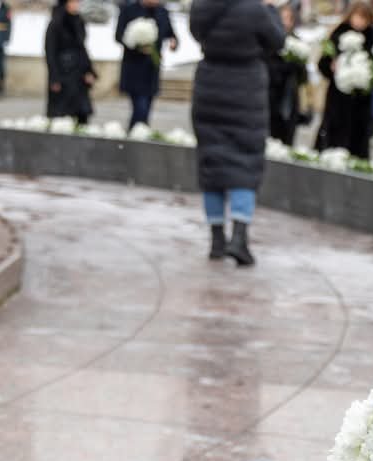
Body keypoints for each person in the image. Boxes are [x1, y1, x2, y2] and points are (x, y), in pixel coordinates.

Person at [190, 0, 282, 265]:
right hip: (246, 87)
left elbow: (197, 33)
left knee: (212, 162)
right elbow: (277, 41)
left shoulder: (202, 6)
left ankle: (216, 239)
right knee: (245, 161)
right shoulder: (255, 9)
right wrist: (271, 9)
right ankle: (239, 238)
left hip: (209, 84)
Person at [316, 1, 373, 157]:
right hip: (338, 95)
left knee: (357, 132)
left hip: (360, 97)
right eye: (358, 17)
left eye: (365, 19)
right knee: (336, 128)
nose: (360, 22)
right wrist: (331, 67)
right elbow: (323, 62)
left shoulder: (371, 36)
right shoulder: (338, 33)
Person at [116, 0, 177, 130]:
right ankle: (137, 132)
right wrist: (137, 45)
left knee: (147, 104)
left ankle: (138, 132)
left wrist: (174, 42)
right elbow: (118, 35)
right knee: (140, 105)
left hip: (152, 68)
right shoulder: (129, 10)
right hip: (134, 66)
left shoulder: (162, 11)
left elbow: (170, 33)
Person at [45, 0, 96, 125]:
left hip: (78, 72)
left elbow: (82, 48)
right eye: (73, 2)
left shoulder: (79, 21)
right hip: (62, 72)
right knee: (61, 115)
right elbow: (50, 52)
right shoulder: (56, 23)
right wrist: (54, 78)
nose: (76, 5)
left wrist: (89, 71)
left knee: (81, 114)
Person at [268, 2, 309, 146]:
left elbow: (304, 77)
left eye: (289, 18)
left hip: (290, 98)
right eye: (283, 17)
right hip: (271, 97)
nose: (286, 22)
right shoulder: (270, 40)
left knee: (287, 139)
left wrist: (296, 64)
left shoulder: (297, 43)